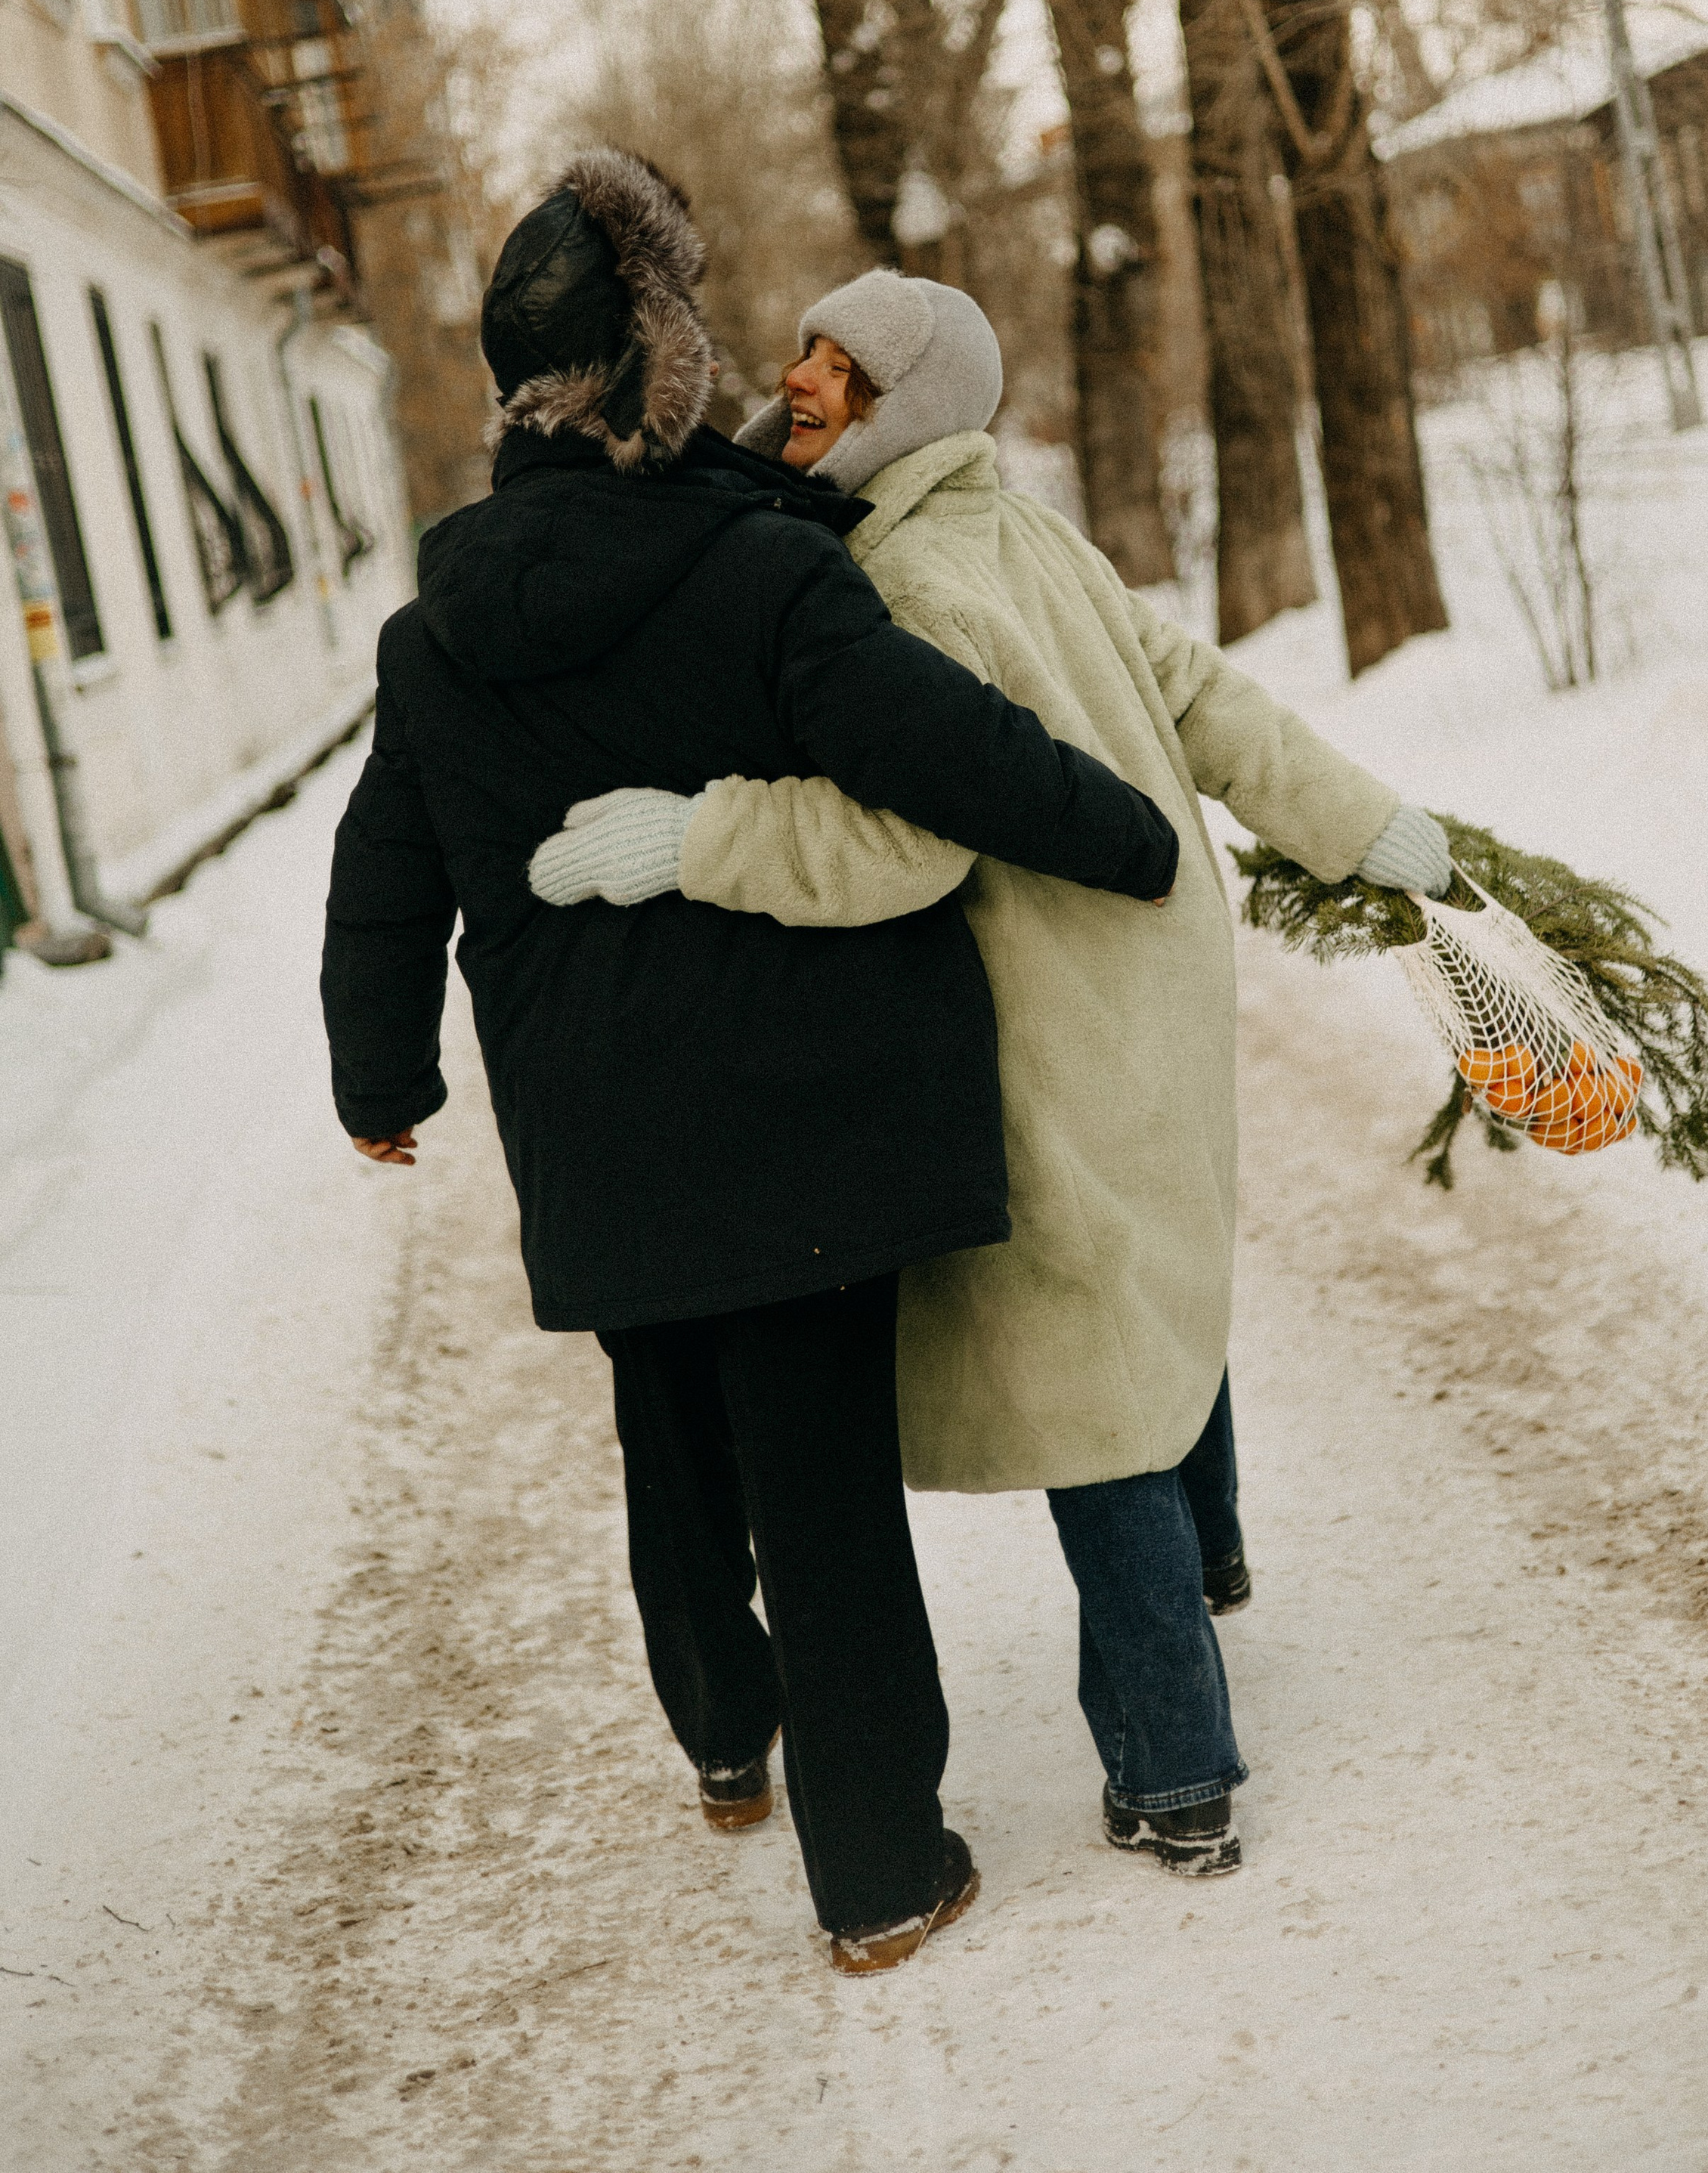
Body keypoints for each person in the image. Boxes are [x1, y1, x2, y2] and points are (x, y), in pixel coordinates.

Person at [320, 158, 1180, 1974]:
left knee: (668, 1427)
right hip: (809, 1132)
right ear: (669, 375)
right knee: (824, 1486)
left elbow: (384, 866)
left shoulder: (436, 638)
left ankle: (727, 1738)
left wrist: (378, 1075)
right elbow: (938, 747)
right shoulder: (763, 575)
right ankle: (877, 1871)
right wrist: (1123, 835)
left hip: (602, 1134)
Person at [530, 268, 1451, 1881]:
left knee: (1079, 1366)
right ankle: (1214, 1550)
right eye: (802, 348)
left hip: (1045, 1003)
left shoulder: (908, 584)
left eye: (843, 369)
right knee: (1151, 1277)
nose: (799, 376)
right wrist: (1352, 819)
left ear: (922, 405)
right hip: (1146, 975)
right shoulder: (1026, 532)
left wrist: (699, 837)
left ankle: (1176, 1769)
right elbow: (1203, 699)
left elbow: (897, 839)